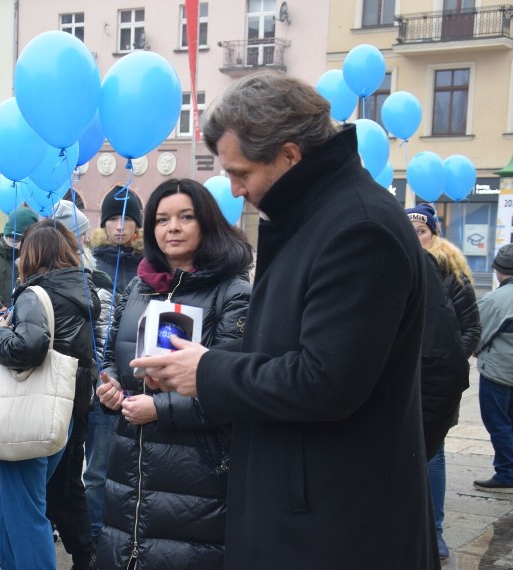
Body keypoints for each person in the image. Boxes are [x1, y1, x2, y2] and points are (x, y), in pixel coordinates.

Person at [131, 72, 438, 569]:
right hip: (311, 507)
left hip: (336, 522)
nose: (233, 188)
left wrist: (207, 371)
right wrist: (203, 364)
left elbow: (327, 379)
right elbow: (288, 351)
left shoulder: (357, 228)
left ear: (290, 155)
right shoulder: (318, 218)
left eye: (242, 173)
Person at [95, 178, 252, 569]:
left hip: (196, 472)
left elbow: (232, 387)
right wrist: (112, 388)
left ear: (207, 223)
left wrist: (160, 409)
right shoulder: (138, 289)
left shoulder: (232, 292)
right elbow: (112, 356)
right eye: (162, 219)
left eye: (185, 217)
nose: (173, 228)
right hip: (129, 461)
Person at [0, 219, 100, 570]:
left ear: (32, 255)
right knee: (16, 504)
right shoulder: (83, 291)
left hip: (29, 412)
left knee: (26, 509)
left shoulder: (36, 293)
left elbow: (30, 346)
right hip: (63, 411)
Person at [407, 203, 481, 558]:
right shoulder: (402, 268)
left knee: (433, 455)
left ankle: (434, 530)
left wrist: (448, 360)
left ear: (433, 233)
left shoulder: (453, 274)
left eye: (421, 231)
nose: (415, 238)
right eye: (410, 232)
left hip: (437, 381)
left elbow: (471, 329)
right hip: (406, 382)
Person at [49, 200, 111, 569]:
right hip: (54, 396)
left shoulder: (95, 283)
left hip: (80, 395)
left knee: (76, 477)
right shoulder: (36, 284)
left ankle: (86, 550)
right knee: (62, 481)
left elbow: (103, 339)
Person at [86, 186, 144, 545]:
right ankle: (95, 540)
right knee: (97, 470)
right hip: (100, 379)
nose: (120, 226)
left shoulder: (148, 265)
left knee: (135, 471)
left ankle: (129, 537)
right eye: (113, 218)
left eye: (127, 219)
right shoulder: (91, 263)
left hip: (137, 378)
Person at [473, 244, 513, 493]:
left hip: (498, 371)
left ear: (498, 270)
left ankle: (507, 473)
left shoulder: (496, 299)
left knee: (498, 423)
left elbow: (476, 332)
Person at [0, 206, 39, 307]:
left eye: (25, 240)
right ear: (6, 235)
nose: (19, 245)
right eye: (14, 238)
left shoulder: (37, 257)